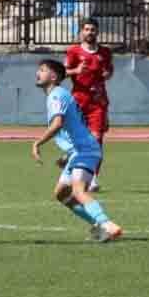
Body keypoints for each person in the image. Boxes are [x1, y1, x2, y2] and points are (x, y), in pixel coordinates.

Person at [32, 59, 124, 243]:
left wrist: (37, 143)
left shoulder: (56, 95)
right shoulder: (58, 94)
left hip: (85, 150)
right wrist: (67, 155)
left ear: (53, 76)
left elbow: (58, 124)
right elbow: (72, 127)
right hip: (79, 151)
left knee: (78, 191)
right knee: (61, 193)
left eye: (42, 70)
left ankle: (107, 224)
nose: (37, 73)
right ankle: (99, 226)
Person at [64, 18, 112, 192]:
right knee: (75, 140)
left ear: (97, 32)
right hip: (78, 100)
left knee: (97, 140)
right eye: (87, 29)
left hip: (98, 101)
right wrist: (76, 71)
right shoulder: (73, 51)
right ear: (81, 32)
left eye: (93, 29)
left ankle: (92, 178)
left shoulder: (105, 52)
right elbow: (63, 72)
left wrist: (107, 74)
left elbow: (109, 71)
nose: (90, 32)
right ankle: (71, 173)